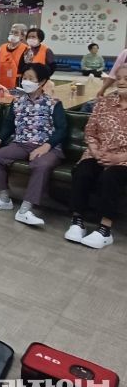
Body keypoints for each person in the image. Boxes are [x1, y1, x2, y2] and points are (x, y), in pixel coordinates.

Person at [0, 63, 66, 227]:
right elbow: (8, 124)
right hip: (21, 143)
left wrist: (46, 146)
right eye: (24, 78)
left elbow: (62, 129)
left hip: (47, 146)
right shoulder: (17, 101)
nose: (26, 81)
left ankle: (25, 210)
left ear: (42, 82)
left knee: (41, 165)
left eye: (31, 78)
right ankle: (4, 199)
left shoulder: (53, 103)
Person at [65, 64, 127, 249]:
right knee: (83, 171)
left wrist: (119, 158)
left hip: (123, 160)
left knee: (111, 177)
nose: (121, 81)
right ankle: (77, 221)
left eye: (126, 78)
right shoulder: (104, 102)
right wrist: (94, 150)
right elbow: (90, 131)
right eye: (119, 78)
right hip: (98, 153)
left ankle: (105, 229)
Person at [0, 23, 28, 89]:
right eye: (11, 32)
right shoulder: (2, 47)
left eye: (16, 33)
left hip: (16, 85)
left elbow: (27, 69)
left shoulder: (26, 49)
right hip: (0, 84)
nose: (12, 34)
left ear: (22, 36)